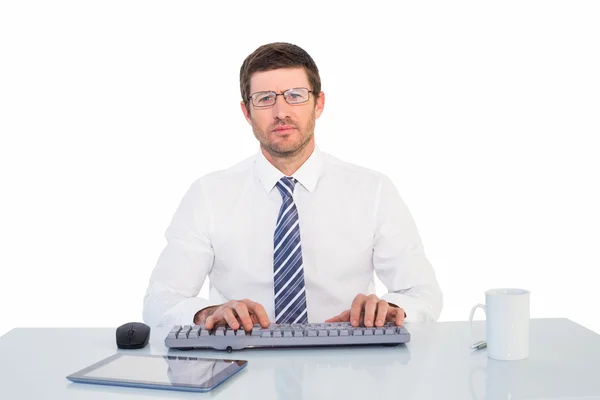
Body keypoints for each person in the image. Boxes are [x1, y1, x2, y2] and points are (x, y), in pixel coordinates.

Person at [142, 42, 442, 332]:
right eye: (264, 98)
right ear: (247, 112)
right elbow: (160, 300)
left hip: (350, 361)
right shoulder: (208, 195)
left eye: (295, 95)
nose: (280, 112)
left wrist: (392, 309)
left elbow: (423, 293)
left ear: (319, 103)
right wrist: (206, 313)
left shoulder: (373, 190)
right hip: (242, 363)